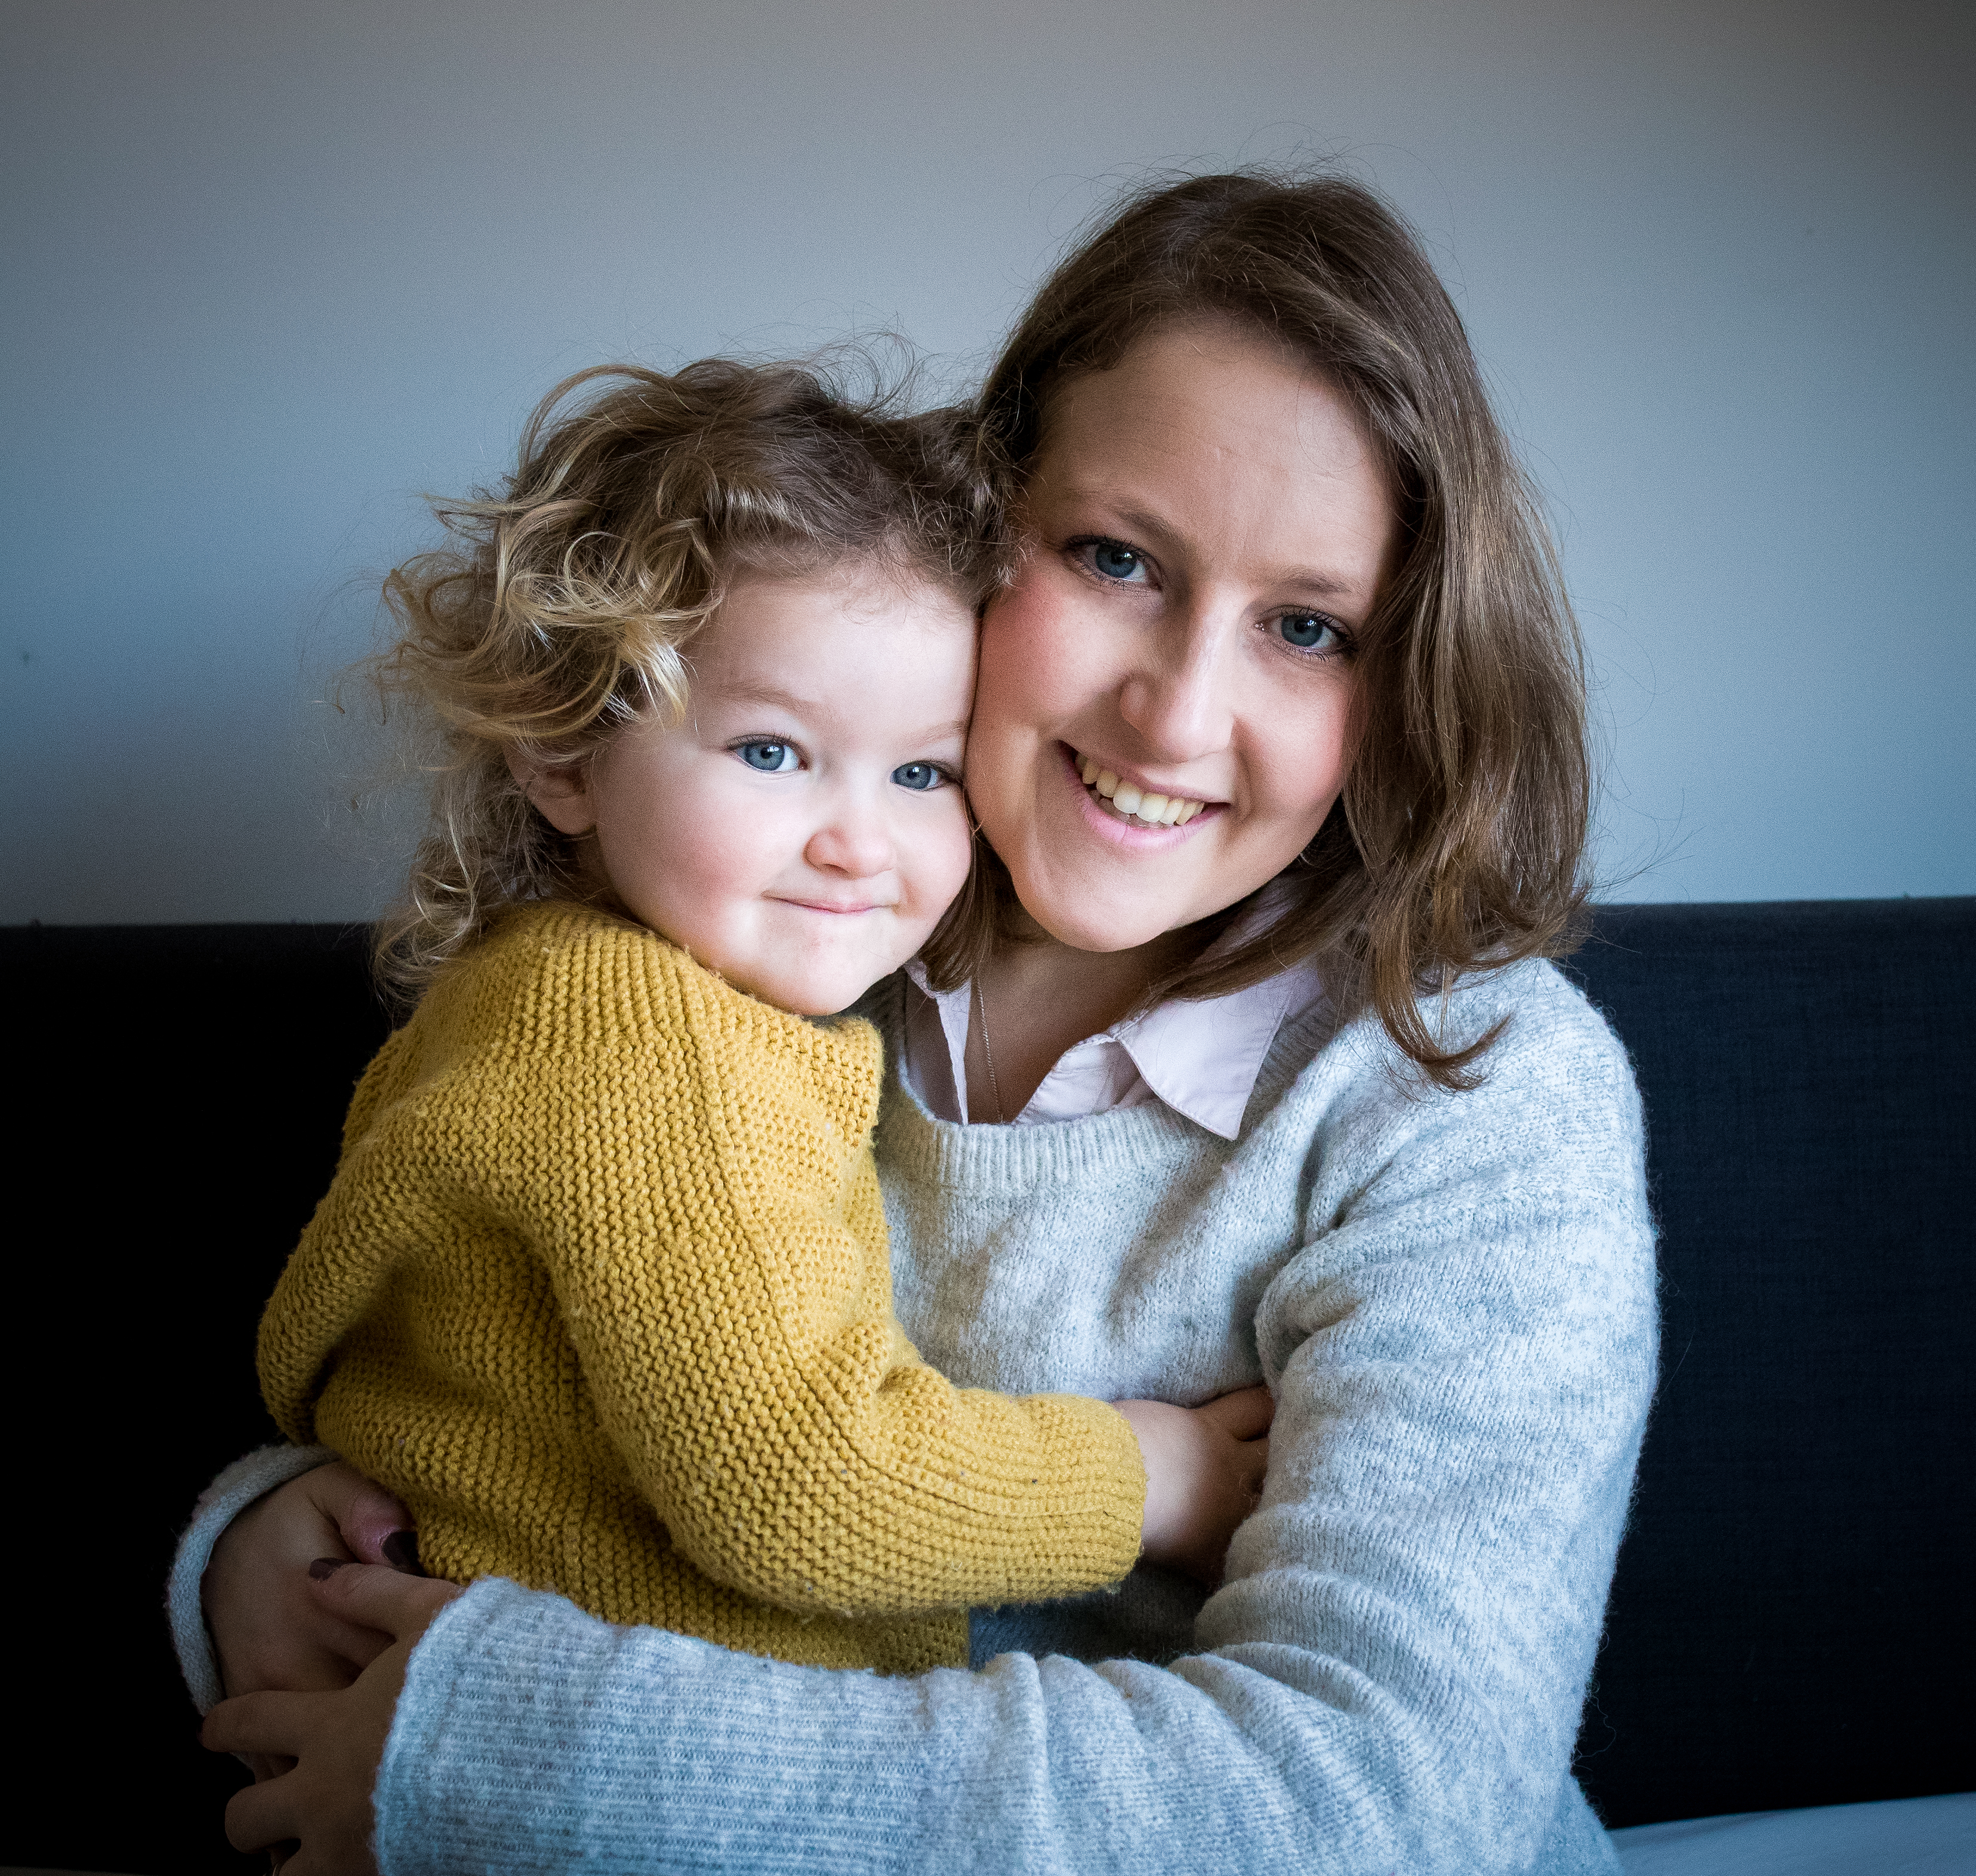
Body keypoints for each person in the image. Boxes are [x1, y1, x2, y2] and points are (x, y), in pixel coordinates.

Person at [69, 171, 1657, 1876]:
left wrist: (499, 1751)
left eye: (1310, 628)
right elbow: (496, 1366)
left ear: (1413, 673)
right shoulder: (772, 939)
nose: (1173, 715)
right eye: (1119, 560)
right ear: (979, 541)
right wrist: (270, 1545)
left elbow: (1362, 1839)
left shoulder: (1472, 1095)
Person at [250, 358, 1265, 1681]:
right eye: (773, 751)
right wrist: (1154, 1473)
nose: (858, 842)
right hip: (593, 1775)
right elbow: (809, 1487)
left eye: (921, 771)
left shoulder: (578, 992)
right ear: (562, 752)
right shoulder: (643, 1040)